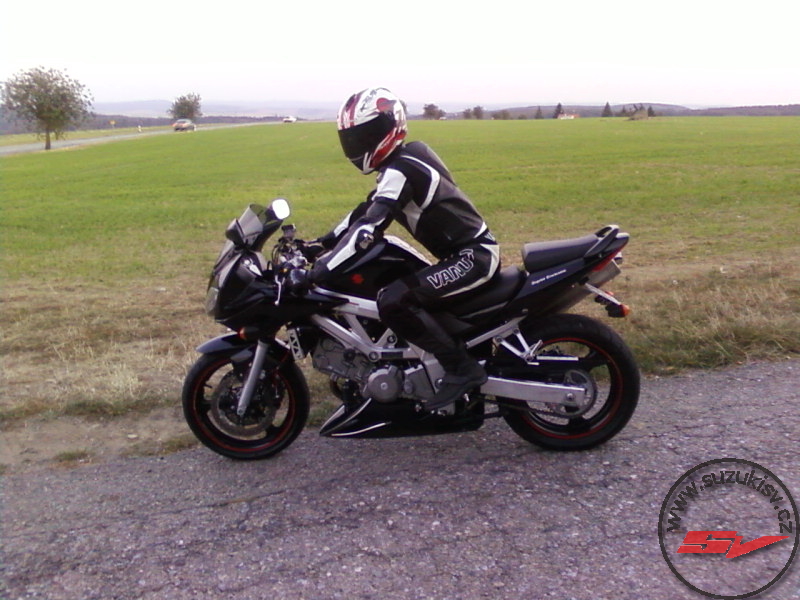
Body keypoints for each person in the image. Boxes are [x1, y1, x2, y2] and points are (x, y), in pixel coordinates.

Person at [308, 87, 500, 412]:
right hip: (467, 256)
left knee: (394, 299)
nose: (358, 144)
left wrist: (320, 271)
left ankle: (461, 369)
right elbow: (364, 213)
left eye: (365, 135)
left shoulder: (401, 169)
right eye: (352, 138)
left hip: (473, 258)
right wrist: (322, 243)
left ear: (389, 127)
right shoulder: (404, 160)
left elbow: (368, 229)